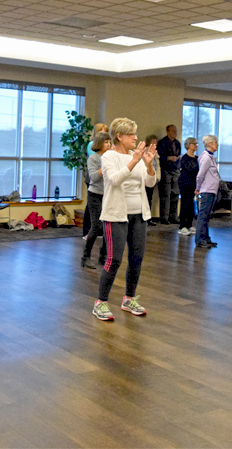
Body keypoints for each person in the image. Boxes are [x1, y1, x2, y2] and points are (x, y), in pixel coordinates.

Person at [92, 118, 156, 321]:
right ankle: (100, 303)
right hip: (116, 215)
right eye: (132, 134)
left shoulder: (134, 156)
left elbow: (150, 182)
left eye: (136, 134)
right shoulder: (109, 156)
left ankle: (129, 299)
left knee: (137, 259)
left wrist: (149, 165)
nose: (136, 138)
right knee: (114, 259)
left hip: (139, 215)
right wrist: (135, 161)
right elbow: (114, 180)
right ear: (119, 136)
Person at [81, 131, 110, 269]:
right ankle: (85, 257)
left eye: (110, 142)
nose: (109, 144)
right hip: (95, 194)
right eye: (106, 142)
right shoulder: (93, 158)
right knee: (96, 226)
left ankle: (103, 256)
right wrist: (104, 166)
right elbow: (93, 176)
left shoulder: (111, 157)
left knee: (107, 226)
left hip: (108, 195)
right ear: (99, 143)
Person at [82, 122, 109, 237]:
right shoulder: (91, 146)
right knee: (91, 208)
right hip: (93, 182)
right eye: (102, 131)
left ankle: (99, 232)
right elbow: (95, 167)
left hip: (104, 185)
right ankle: (87, 231)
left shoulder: (109, 154)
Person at [195, 135, 220, 249]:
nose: (217, 144)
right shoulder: (206, 157)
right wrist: (198, 188)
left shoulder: (210, 157)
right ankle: (200, 239)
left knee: (207, 216)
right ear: (209, 144)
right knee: (203, 215)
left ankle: (206, 238)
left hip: (211, 190)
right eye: (215, 142)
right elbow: (200, 175)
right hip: (207, 190)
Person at [156, 124, 180, 224]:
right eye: (173, 131)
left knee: (175, 194)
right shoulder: (162, 142)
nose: (175, 133)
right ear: (168, 132)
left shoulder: (177, 143)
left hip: (175, 169)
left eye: (176, 131)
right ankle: (164, 217)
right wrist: (169, 158)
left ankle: (173, 216)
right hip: (166, 170)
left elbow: (178, 154)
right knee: (166, 194)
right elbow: (160, 157)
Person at [178, 137, 198, 237]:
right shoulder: (184, 158)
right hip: (185, 183)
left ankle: (189, 225)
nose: (196, 145)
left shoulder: (197, 158)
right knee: (185, 204)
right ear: (189, 145)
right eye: (194, 144)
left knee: (191, 205)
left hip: (193, 184)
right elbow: (191, 169)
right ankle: (182, 226)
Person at [143, 134, 161, 226]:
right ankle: (144, 219)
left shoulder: (155, 152)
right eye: (153, 141)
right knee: (145, 199)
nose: (155, 143)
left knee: (150, 198)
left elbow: (157, 165)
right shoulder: (144, 151)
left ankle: (148, 218)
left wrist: (157, 177)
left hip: (152, 178)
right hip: (145, 178)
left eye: (156, 142)